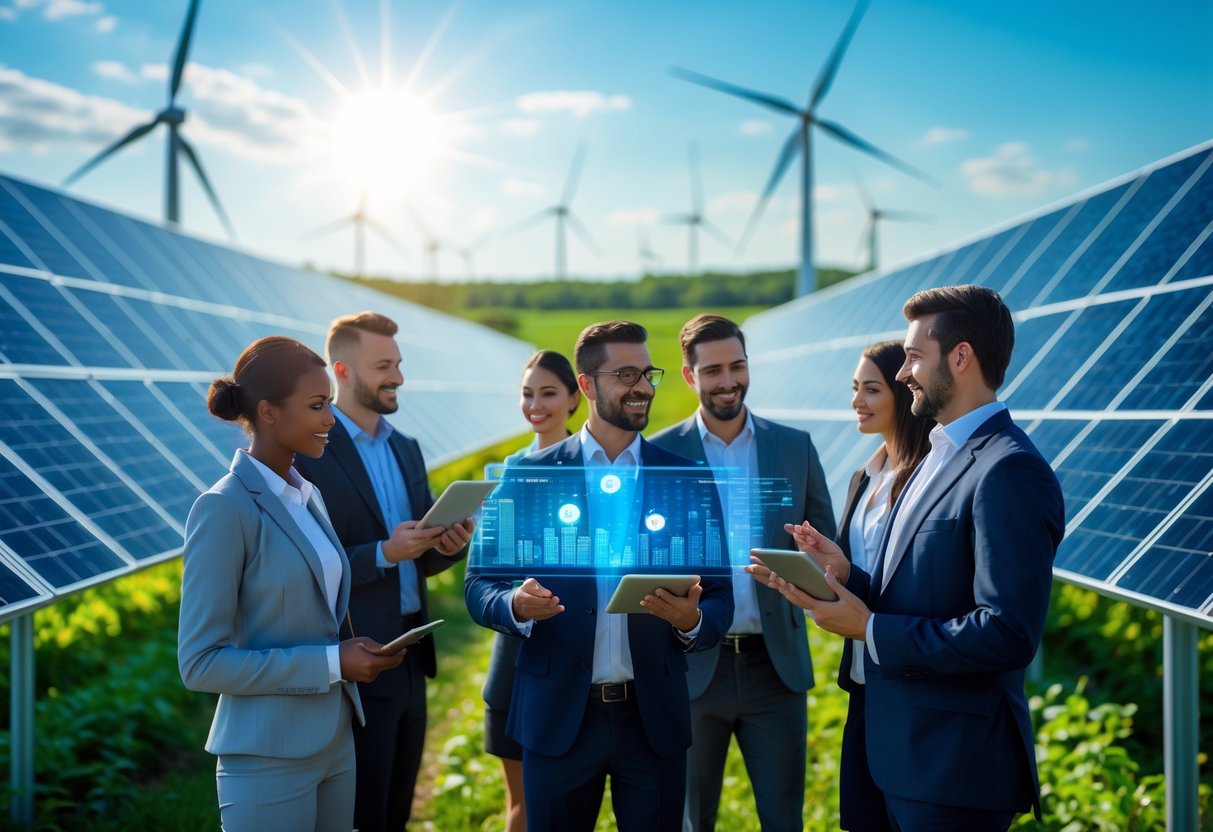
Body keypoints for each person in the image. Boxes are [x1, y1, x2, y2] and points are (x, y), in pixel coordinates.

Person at [757, 285, 1065, 831]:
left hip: (953, 767)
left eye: (916, 356)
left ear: (961, 357)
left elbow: (1007, 631)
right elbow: (927, 588)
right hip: (889, 747)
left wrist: (870, 629)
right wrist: (849, 575)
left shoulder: (1008, 470)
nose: (904, 373)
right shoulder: (937, 457)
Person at [465, 320, 735, 832]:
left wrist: (693, 622)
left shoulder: (686, 479)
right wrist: (515, 607)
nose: (644, 387)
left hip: (651, 720)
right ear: (587, 385)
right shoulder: (529, 477)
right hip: (558, 719)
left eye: (648, 374)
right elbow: (479, 585)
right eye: (626, 374)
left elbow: (719, 594)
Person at [179, 336, 404, 831]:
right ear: (269, 412)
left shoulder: (308, 495)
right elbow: (200, 664)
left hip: (336, 740)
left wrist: (349, 648)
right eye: (317, 406)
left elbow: (314, 615)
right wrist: (331, 662)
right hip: (267, 758)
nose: (330, 419)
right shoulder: (223, 508)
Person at [648, 314, 835, 832]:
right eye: (713, 371)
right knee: (689, 820)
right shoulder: (659, 455)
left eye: (737, 366)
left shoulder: (794, 448)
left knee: (784, 820)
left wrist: (814, 570)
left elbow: (828, 548)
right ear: (690, 377)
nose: (728, 381)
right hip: (689, 667)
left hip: (775, 669)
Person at [294, 312, 473, 832]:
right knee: (362, 809)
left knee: (398, 804)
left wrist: (449, 544)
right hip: (356, 655)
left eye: (398, 363)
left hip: (413, 652)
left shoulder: (405, 447)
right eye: (383, 366)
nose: (397, 376)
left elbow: (420, 555)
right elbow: (304, 564)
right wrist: (382, 553)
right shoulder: (313, 453)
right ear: (343, 371)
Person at [831, 340, 933, 831]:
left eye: (871, 389)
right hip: (862, 685)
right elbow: (862, 573)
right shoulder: (863, 478)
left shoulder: (928, 480)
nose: (857, 401)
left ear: (903, 393)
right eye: (855, 388)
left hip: (911, 685)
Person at [484, 350, 582, 832]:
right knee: (521, 807)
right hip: (517, 657)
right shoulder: (506, 471)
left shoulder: (593, 469)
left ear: (573, 398)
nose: (535, 405)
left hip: (574, 664)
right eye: (527, 394)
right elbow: (490, 574)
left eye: (547, 393)